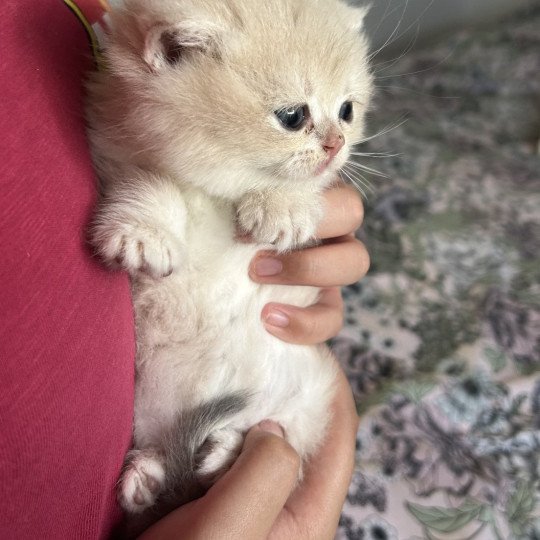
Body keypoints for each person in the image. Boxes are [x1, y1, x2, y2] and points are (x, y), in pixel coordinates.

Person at [0, 1, 369, 538]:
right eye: (293, 117)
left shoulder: (84, 15)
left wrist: (296, 201)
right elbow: (150, 181)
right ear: (170, 53)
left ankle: (207, 455)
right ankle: (191, 461)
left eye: (347, 111)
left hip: (276, 416)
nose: (334, 144)